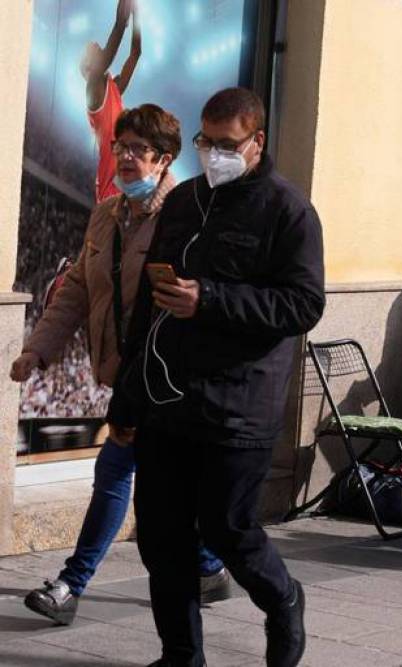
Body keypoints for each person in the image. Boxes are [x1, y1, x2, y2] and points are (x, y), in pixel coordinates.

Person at [108, 87, 324, 667]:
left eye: (226, 144)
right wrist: (127, 400)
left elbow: (302, 305)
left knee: (228, 530)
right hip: (167, 401)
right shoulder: (183, 204)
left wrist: (211, 299)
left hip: (239, 403)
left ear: (257, 142)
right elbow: (149, 308)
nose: (213, 154)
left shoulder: (289, 211)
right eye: (205, 142)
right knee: (161, 538)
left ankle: (285, 602)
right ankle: (181, 656)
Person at [10, 104, 230, 626]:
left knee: (115, 471)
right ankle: (209, 567)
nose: (126, 158)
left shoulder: (185, 214)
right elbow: (79, 289)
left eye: (138, 150)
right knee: (154, 484)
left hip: (167, 378)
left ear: (164, 158)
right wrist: (36, 349)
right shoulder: (106, 214)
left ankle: (72, 584)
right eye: (120, 147)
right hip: (126, 372)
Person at [82, 0, 141, 201]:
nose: (97, 45)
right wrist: (123, 15)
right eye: (93, 49)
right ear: (89, 67)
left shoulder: (112, 87)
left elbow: (135, 54)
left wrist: (137, 16)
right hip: (109, 189)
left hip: (122, 183)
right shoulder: (92, 87)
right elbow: (117, 29)